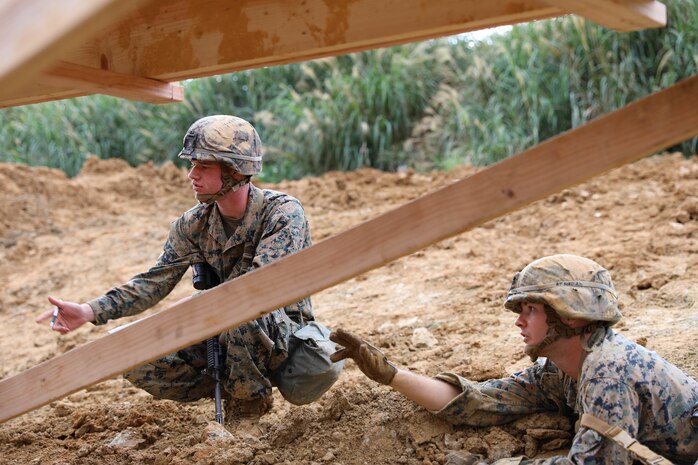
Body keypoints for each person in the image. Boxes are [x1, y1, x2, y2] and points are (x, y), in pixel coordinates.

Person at [36, 115, 320, 427]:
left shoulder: (282, 214)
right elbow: (154, 281)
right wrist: (90, 311)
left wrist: (188, 315)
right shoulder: (193, 225)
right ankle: (235, 387)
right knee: (132, 356)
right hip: (220, 324)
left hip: (283, 332)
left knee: (242, 317)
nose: (191, 175)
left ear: (235, 170)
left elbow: (257, 289)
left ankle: (250, 408)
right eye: (192, 165)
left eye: (203, 166)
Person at [330, 254, 698, 464]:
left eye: (531, 309)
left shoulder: (608, 371)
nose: (520, 321)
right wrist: (392, 375)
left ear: (569, 315)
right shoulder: (562, 370)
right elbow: (482, 401)